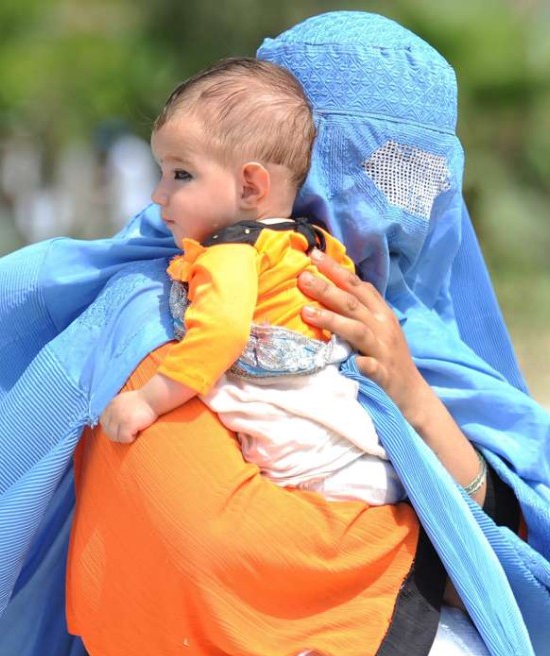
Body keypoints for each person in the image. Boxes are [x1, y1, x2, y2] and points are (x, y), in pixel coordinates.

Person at [0, 11, 550, 656]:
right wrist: (411, 569)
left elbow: (532, 539)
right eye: (379, 169)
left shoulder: (416, 329)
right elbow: (196, 547)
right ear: (276, 166)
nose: (399, 206)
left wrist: (410, 393)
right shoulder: (162, 305)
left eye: (420, 179)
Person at [99, 57, 403, 506]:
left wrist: (147, 400)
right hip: (339, 429)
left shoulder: (229, 255)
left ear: (249, 188)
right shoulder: (311, 243)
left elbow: (219, 334)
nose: (158, 194)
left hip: (295, 444)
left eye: (181, 174)